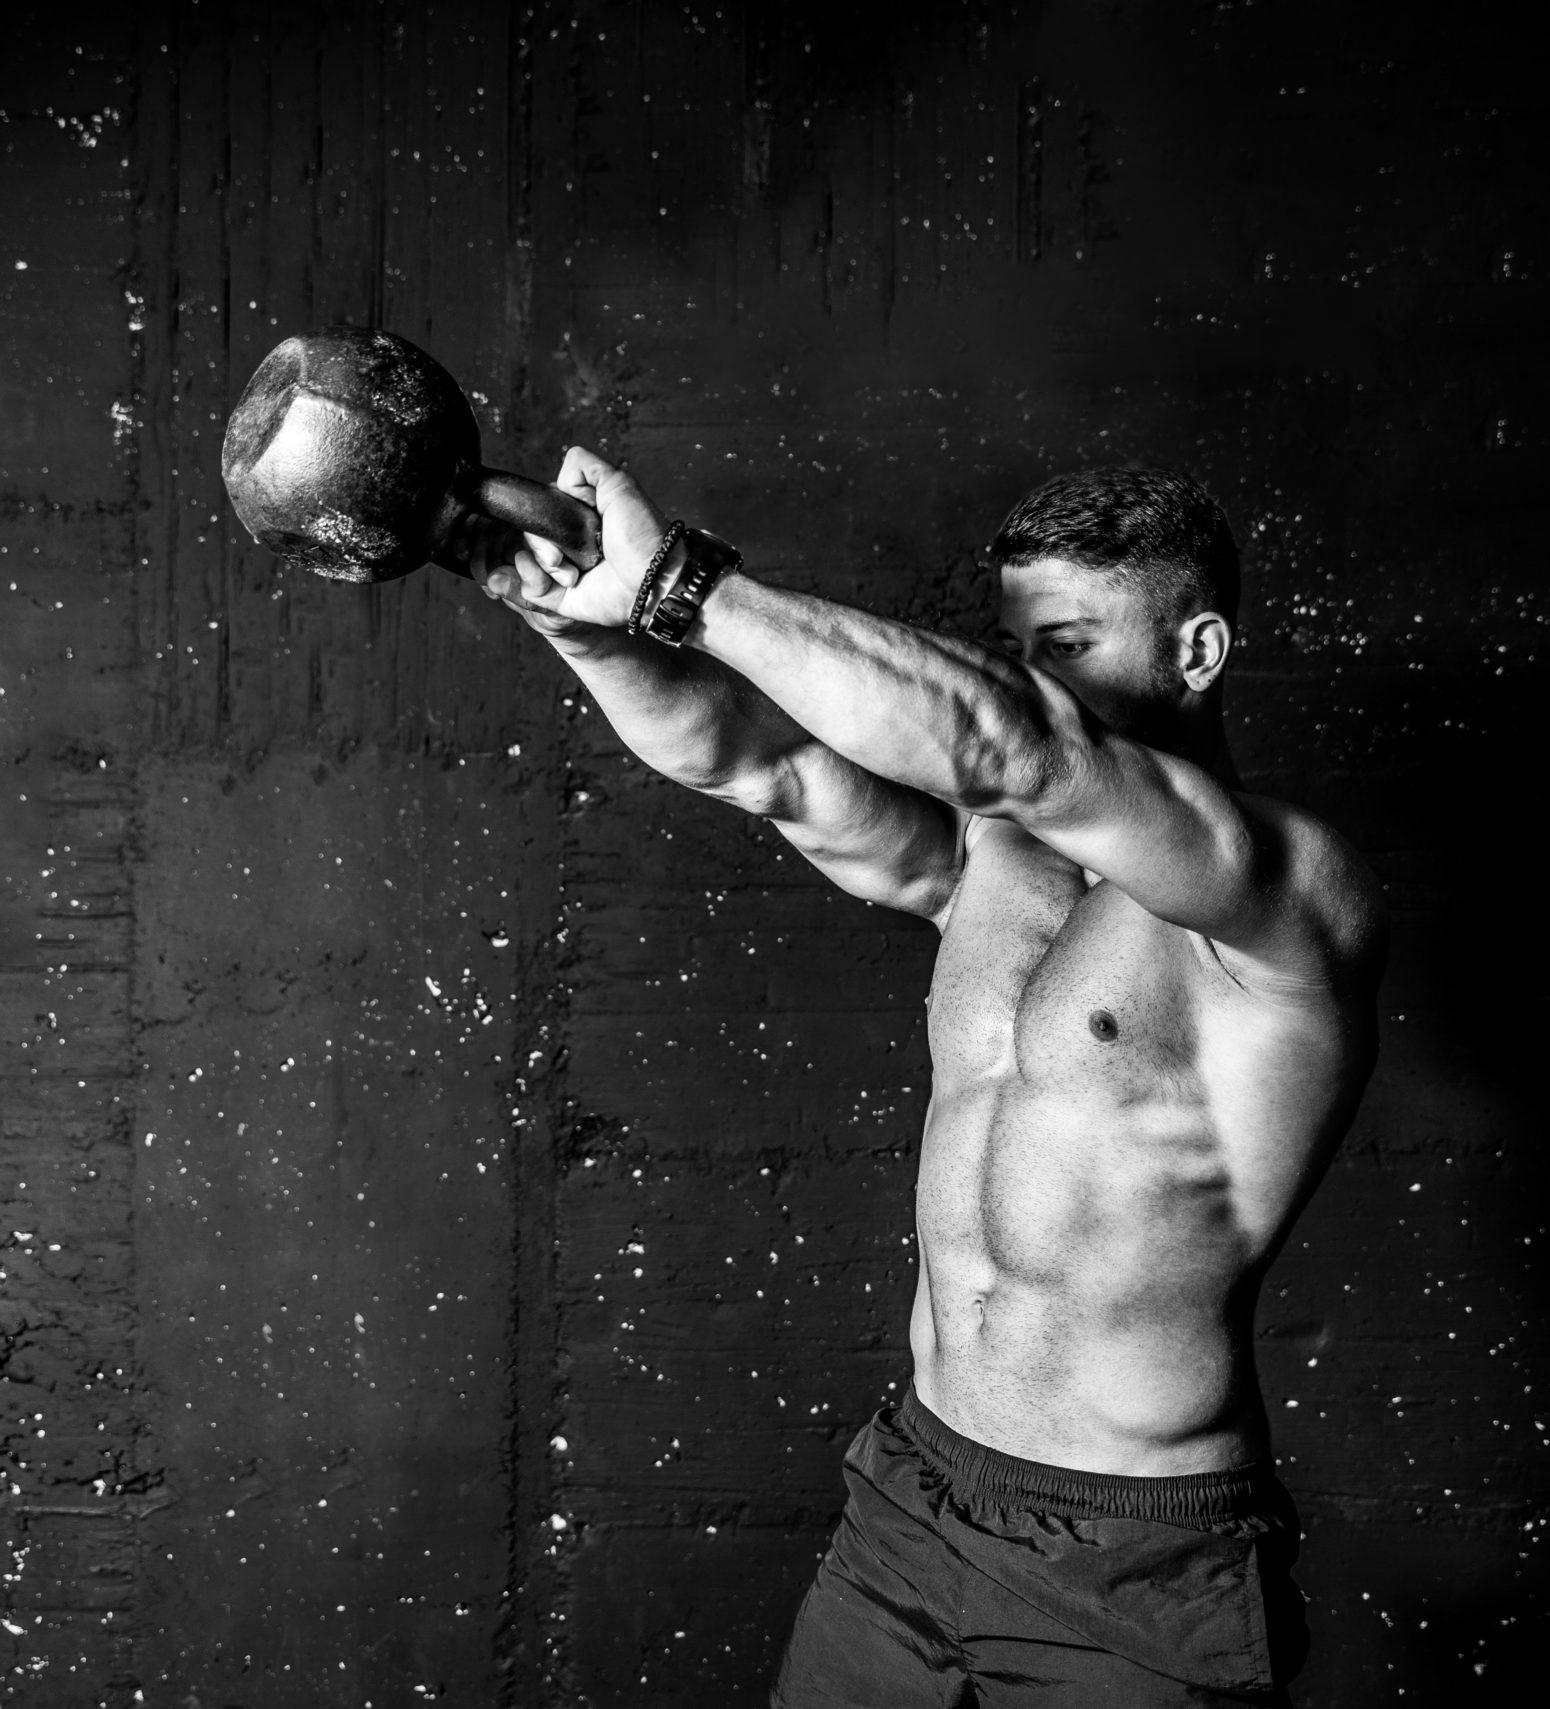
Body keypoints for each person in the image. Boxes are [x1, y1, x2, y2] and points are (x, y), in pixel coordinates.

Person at [471, 449, 1387, 1707]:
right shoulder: (997, 859)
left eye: (1063, 643)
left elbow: (1017, 748)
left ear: (1197, 651)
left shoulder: (1282, 895)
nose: (1023, 675)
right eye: (1011, 646)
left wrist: (677, 583)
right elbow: (758, 764)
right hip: (912, 1498)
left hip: (1132, 1555)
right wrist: (584, 625)